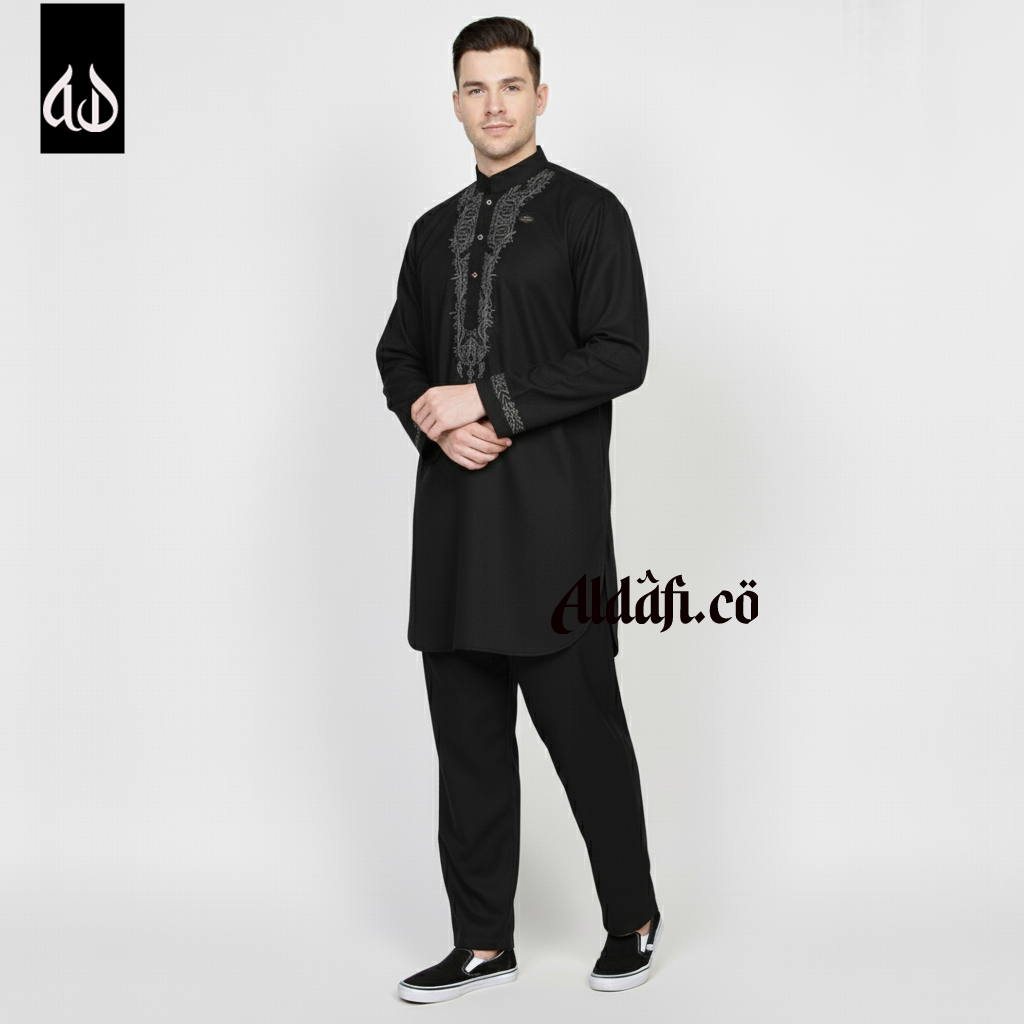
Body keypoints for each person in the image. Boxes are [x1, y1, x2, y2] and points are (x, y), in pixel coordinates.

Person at [376, 17, 661, 1002]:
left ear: (541, 95)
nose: (492, 103)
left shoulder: (589, 214)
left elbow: (620, 351)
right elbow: (398, 354)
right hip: (454, 530)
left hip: (554, 530)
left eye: (509, 85)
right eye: (475, 87)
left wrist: (489, 402)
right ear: (455, 101)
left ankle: (631, 917)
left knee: (585, 738)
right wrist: (433, 420)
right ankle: (481, 941)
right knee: (467, 750)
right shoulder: (431, 231)